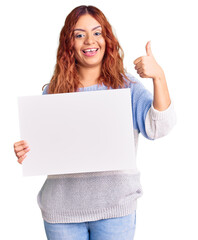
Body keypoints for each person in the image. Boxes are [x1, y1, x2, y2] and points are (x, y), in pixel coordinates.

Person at [13, 5, 176, 240]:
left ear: (107, 39)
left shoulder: (126, 87)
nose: (90, 41)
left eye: (97, 33)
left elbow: (159, 128)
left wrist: (159, 77)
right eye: (79, 35)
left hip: (115, 211)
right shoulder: (53, 92)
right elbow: (47, 149)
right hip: (61, 213)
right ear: (69, 44)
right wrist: (26, 151)